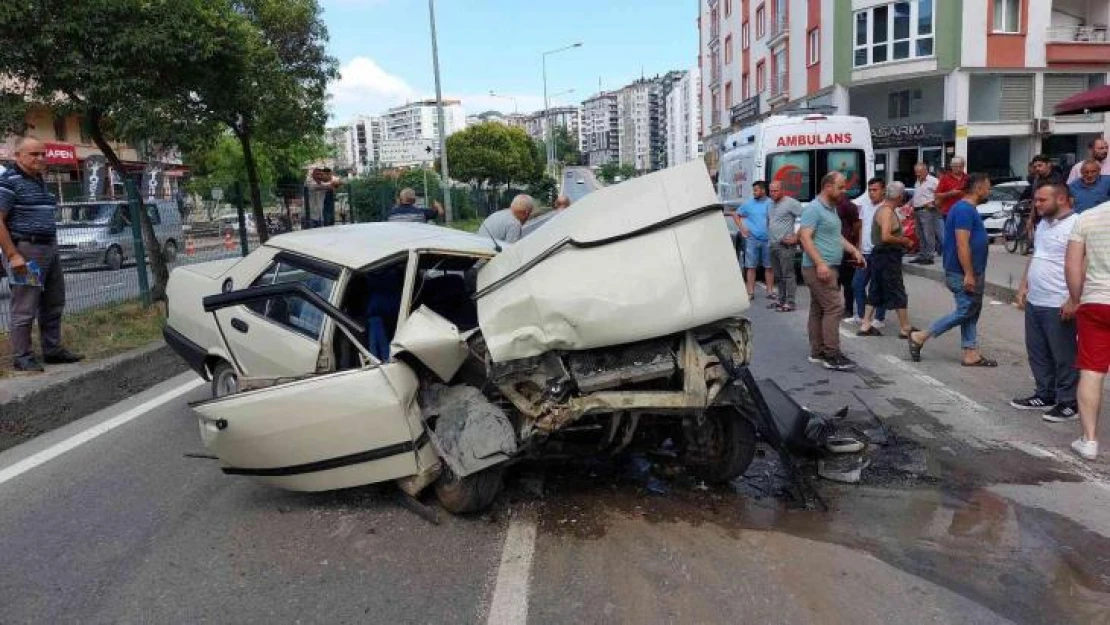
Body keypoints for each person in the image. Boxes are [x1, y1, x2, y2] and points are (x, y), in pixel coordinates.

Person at [0, 137, 84, 372]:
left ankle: (52, 350)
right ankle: (22, 357)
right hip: (27, 251)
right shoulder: (9, 182)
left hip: (49, 247)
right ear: (17, 156)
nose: (40, 158)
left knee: (54, 301)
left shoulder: (40, 179)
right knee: (25, 306)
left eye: (42, 154)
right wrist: (13, 255)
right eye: (33, 154)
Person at [908, 174, 997, 367]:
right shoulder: (964, 210)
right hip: (962, 272)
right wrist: (969, 273)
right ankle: (920, 336)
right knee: (966, 310)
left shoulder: (967, 209)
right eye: (988, 187)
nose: (989, 191)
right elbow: (962, 244)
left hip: (971, 271)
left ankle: (970, 352)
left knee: (971, 311)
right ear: (979, 188)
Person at [1011, 184, 1080, 421]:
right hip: (1036, 299)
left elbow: (1084, 265)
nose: (1036, 205)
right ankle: (1045, 394)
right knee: (1038, 352)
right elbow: (1036, 255)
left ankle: (1069, 401)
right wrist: (1023, 285)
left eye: (1041, 200)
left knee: (1064, 355)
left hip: (1058, 300)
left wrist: (1073, 299)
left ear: (1060, 199)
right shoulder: (1042, 225)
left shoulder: (1077, 225)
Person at [798, 172, 866, 371]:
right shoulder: (814, 209)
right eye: (840, 187)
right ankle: (832, 354)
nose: (844, 191)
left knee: (819, 309)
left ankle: (818, 352)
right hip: (819, 268)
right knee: (835, 307)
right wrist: (820, 263)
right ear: (828, 187)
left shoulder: (831, 209)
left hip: (828, 266)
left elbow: (836, 236)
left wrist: (854, 250)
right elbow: (805, 237)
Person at [1065, 195, 1110, 460]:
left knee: (1092, 370)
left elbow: (1072, 266)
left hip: (1096, 302)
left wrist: (1075, 298)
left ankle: (1089, 440)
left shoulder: (1087, 217)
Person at [858, 181, 915, 339]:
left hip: (881, 255)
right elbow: (885, 236)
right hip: (887, 255)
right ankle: (905, 327)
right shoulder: (887, 212)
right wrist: (903, 241)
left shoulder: (885, 210)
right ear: (899, 196)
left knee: (876, 288)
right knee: (897, 289)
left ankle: (865, 324)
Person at [851, 178, 888, 328]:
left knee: (879, 285)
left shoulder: (886, 207)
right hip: (865, 252)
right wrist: (858, 248)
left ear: (883, 190)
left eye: (875, 190)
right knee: (857, 284)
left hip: (879, 252)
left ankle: (879, 317)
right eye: (870, 190)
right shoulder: (864, 205)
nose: (872, 193)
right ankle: (861, 315)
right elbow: (861, 227)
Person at [767, 180, 804, 312]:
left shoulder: (791, 203)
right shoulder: (770, 204)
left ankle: (790, 302)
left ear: (782, 190)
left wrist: (796, 237)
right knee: (778, 275)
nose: (772, 193)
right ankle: (781, 300)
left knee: (788, 274)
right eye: (771, 191)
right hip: (772, 244)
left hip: (785, 245)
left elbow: (807, 218)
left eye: (775, 190)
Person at [735, 180, 774, 300]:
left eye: (756, 190)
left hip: (768, 239)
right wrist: (742, 229)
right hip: (752, 239)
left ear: (763, 190)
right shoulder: (748, 204)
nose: (754, 192)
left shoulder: (771, 203)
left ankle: (769, 292)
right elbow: (736, 215)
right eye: (754, 190)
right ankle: (750, 292)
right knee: (751, 267)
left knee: (769, 267)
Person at [909, 163, 941, 265]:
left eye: (919, 173)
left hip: (928, 211)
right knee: (920, 234)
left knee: (928, 234)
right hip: (917, 210)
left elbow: (941, 194)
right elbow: (917, 195)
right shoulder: (918, 181)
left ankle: (929, 256)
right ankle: (922, 254)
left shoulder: (934, 181)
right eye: (916, 173)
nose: (917, 175)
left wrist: (933, 203)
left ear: (925, 171)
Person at [837, 193, 862, 323]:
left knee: (847, 281)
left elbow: (857, 224)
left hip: (846, 247)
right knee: (834, 281)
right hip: (832, 248)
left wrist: (854, 242)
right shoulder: (828, 205)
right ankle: (835, 307)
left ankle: (848, 309)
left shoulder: (847, 205)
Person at [935, 156, 968, 225]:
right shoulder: (945, 178)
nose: (958, 168)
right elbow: (937, 195)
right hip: (949, 212)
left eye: (960, 166)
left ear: (963, 166)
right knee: (950, 234)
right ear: (951, 167)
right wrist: (950, 193)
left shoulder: (967, 178)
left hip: (965, 211)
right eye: (955, 166)